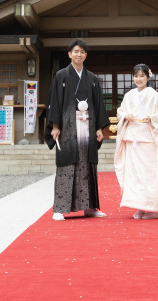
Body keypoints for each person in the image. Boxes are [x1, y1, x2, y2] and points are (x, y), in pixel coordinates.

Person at [45, 39, 108, 221]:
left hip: (88, 125)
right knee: (66, 165)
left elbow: (98, 105)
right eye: (76, 51)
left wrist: (98, 128)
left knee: (88, 165)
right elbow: (54, 101)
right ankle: (59, 208)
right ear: (69, 54)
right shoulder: (61, 76)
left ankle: (90, 207)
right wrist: (55, 126)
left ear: (86, 55)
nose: (79, 54)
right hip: (67, 126)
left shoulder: (93, 79)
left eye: (82, 52)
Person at [114, 63, 158, 219]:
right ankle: (140, 206)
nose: (138, 79)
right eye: (136, 76)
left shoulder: (153, 94)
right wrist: (126, 116)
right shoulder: (129, 95)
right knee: (135, 174)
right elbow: (120, 111)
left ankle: (154, 208)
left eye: (142, 76)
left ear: (148, 77)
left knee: (148, 173)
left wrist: (151, 118)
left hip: (148, 138)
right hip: (133, 138)